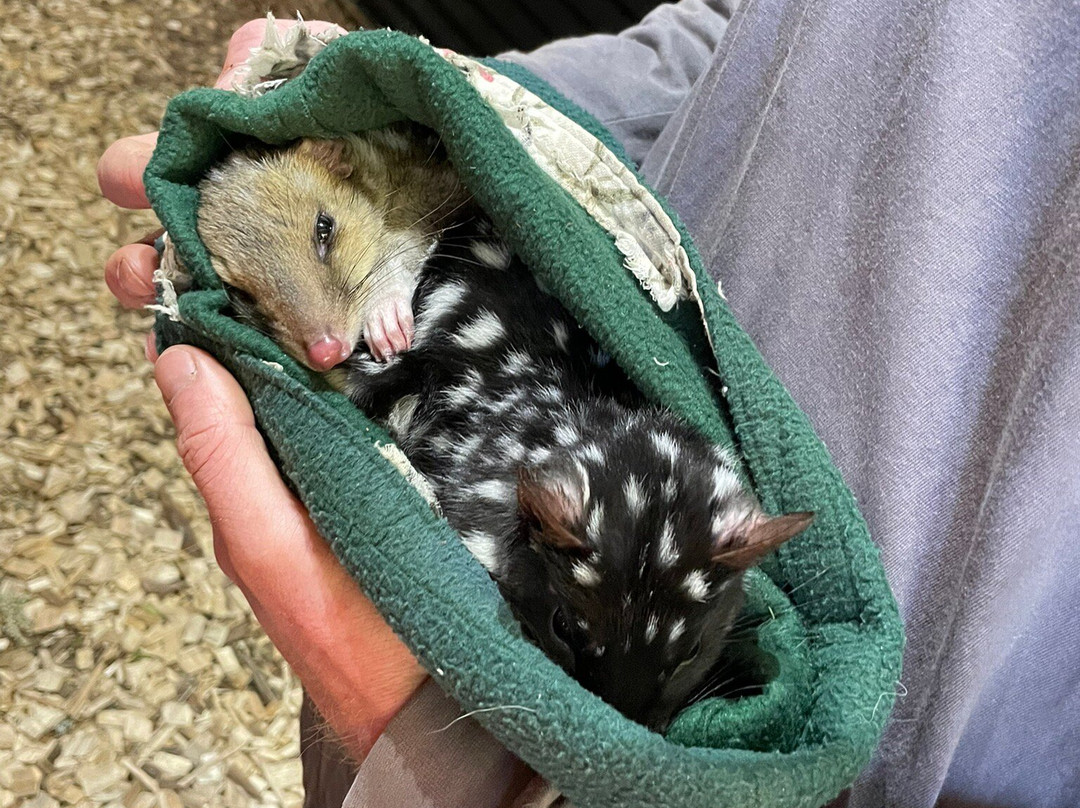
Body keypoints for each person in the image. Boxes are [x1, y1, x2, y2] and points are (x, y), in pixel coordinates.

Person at [99, 1, 1080, 806]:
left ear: (340, 172)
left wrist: (462, 771)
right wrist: (506, 111)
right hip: (555, 507)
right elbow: (736, 30)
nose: (317, 334)